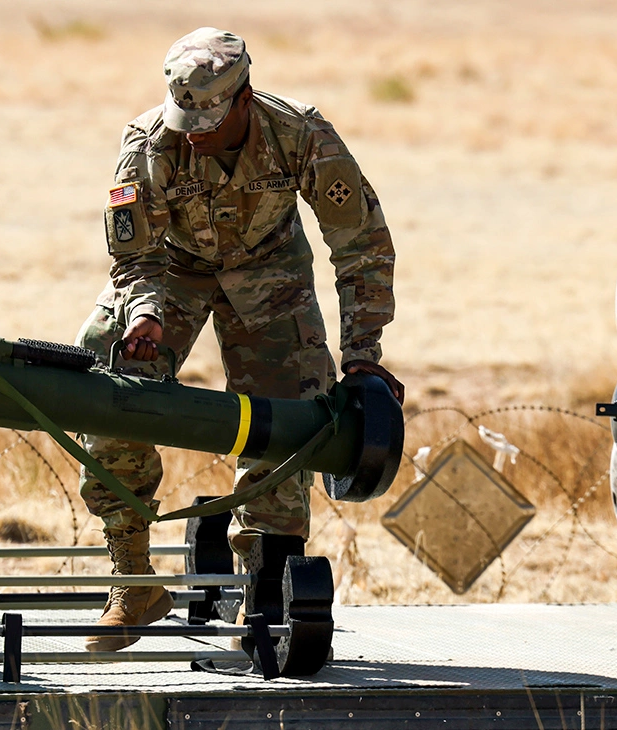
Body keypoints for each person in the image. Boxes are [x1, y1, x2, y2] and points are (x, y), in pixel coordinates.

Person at [76, 27, 402, 651]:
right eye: (186, 118)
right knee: (106, 383)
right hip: (170, 274)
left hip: (271, 274)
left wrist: (363, 355)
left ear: (245, 97)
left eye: (209, 119)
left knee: (289, 416)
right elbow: (134, 255)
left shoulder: (299, 133)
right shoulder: (148, 143)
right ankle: (133, 578)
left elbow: (362, 245)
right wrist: (143, 314)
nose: (194, 133)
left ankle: (265, 595)